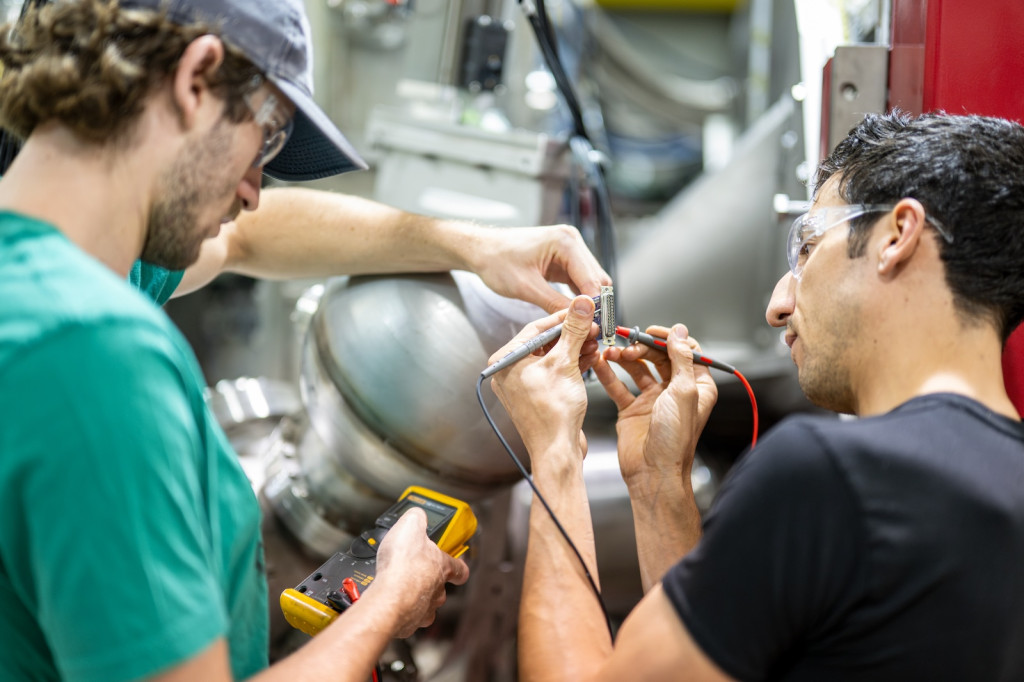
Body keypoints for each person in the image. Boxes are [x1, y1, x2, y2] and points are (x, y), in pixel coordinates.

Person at [0, 1, 609, 682]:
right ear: (195, 76)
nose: (255, 190)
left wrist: (472, 246)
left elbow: (244, 238)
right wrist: (387, 604)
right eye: (263, 142)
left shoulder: (59, 271)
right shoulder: (96, 354)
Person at [489, 110, 1024, 680]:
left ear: (896, 236)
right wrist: (658, 488)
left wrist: (554, 453)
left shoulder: (832, 477)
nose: (778, 306)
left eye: (808, 247)